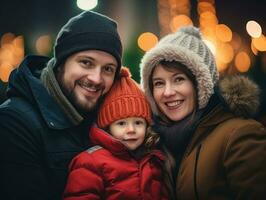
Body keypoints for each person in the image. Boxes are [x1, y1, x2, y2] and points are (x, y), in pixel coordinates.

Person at [0, 11, 122, 199]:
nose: (97, 79)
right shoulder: (14, 122)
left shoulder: (106, 120)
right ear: (60, 64)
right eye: (86, 63)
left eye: (108, 69)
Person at [140, 26, 266, 200]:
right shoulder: (153, 143)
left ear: (201, 84)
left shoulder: (239, 135)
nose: (168, 92)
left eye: (179, 79)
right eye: (159, 83)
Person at [63, 67, 172, 200]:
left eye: (138, 123)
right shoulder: (91, 161)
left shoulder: (153, 160)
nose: (131, 129)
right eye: (121, 124)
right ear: (108, 127)